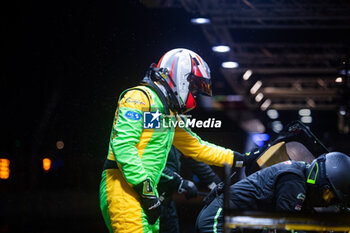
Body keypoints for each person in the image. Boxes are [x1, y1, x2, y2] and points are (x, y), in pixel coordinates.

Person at [99, 48, 259, 233]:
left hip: (144, 191)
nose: (193, 94)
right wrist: (146, 189)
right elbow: (123, 146)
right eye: (193, 86)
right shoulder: (139, 98)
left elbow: (196, 147)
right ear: (182, 76)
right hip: (125, 189)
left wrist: (239, 158)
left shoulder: (167, 112)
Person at [195, 152, 350, 233]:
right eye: (328, 195)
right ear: (322, 182)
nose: (327, 201)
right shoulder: (294, 181)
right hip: (218, 219)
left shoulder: (299, 175)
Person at [158, 146, 222, 233]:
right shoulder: (155, 136)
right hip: (148, 199)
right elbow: (153, 167)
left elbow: (197, 164)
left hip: (166, 199)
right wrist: (181, 183)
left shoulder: (178, 137)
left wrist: (217, 186)